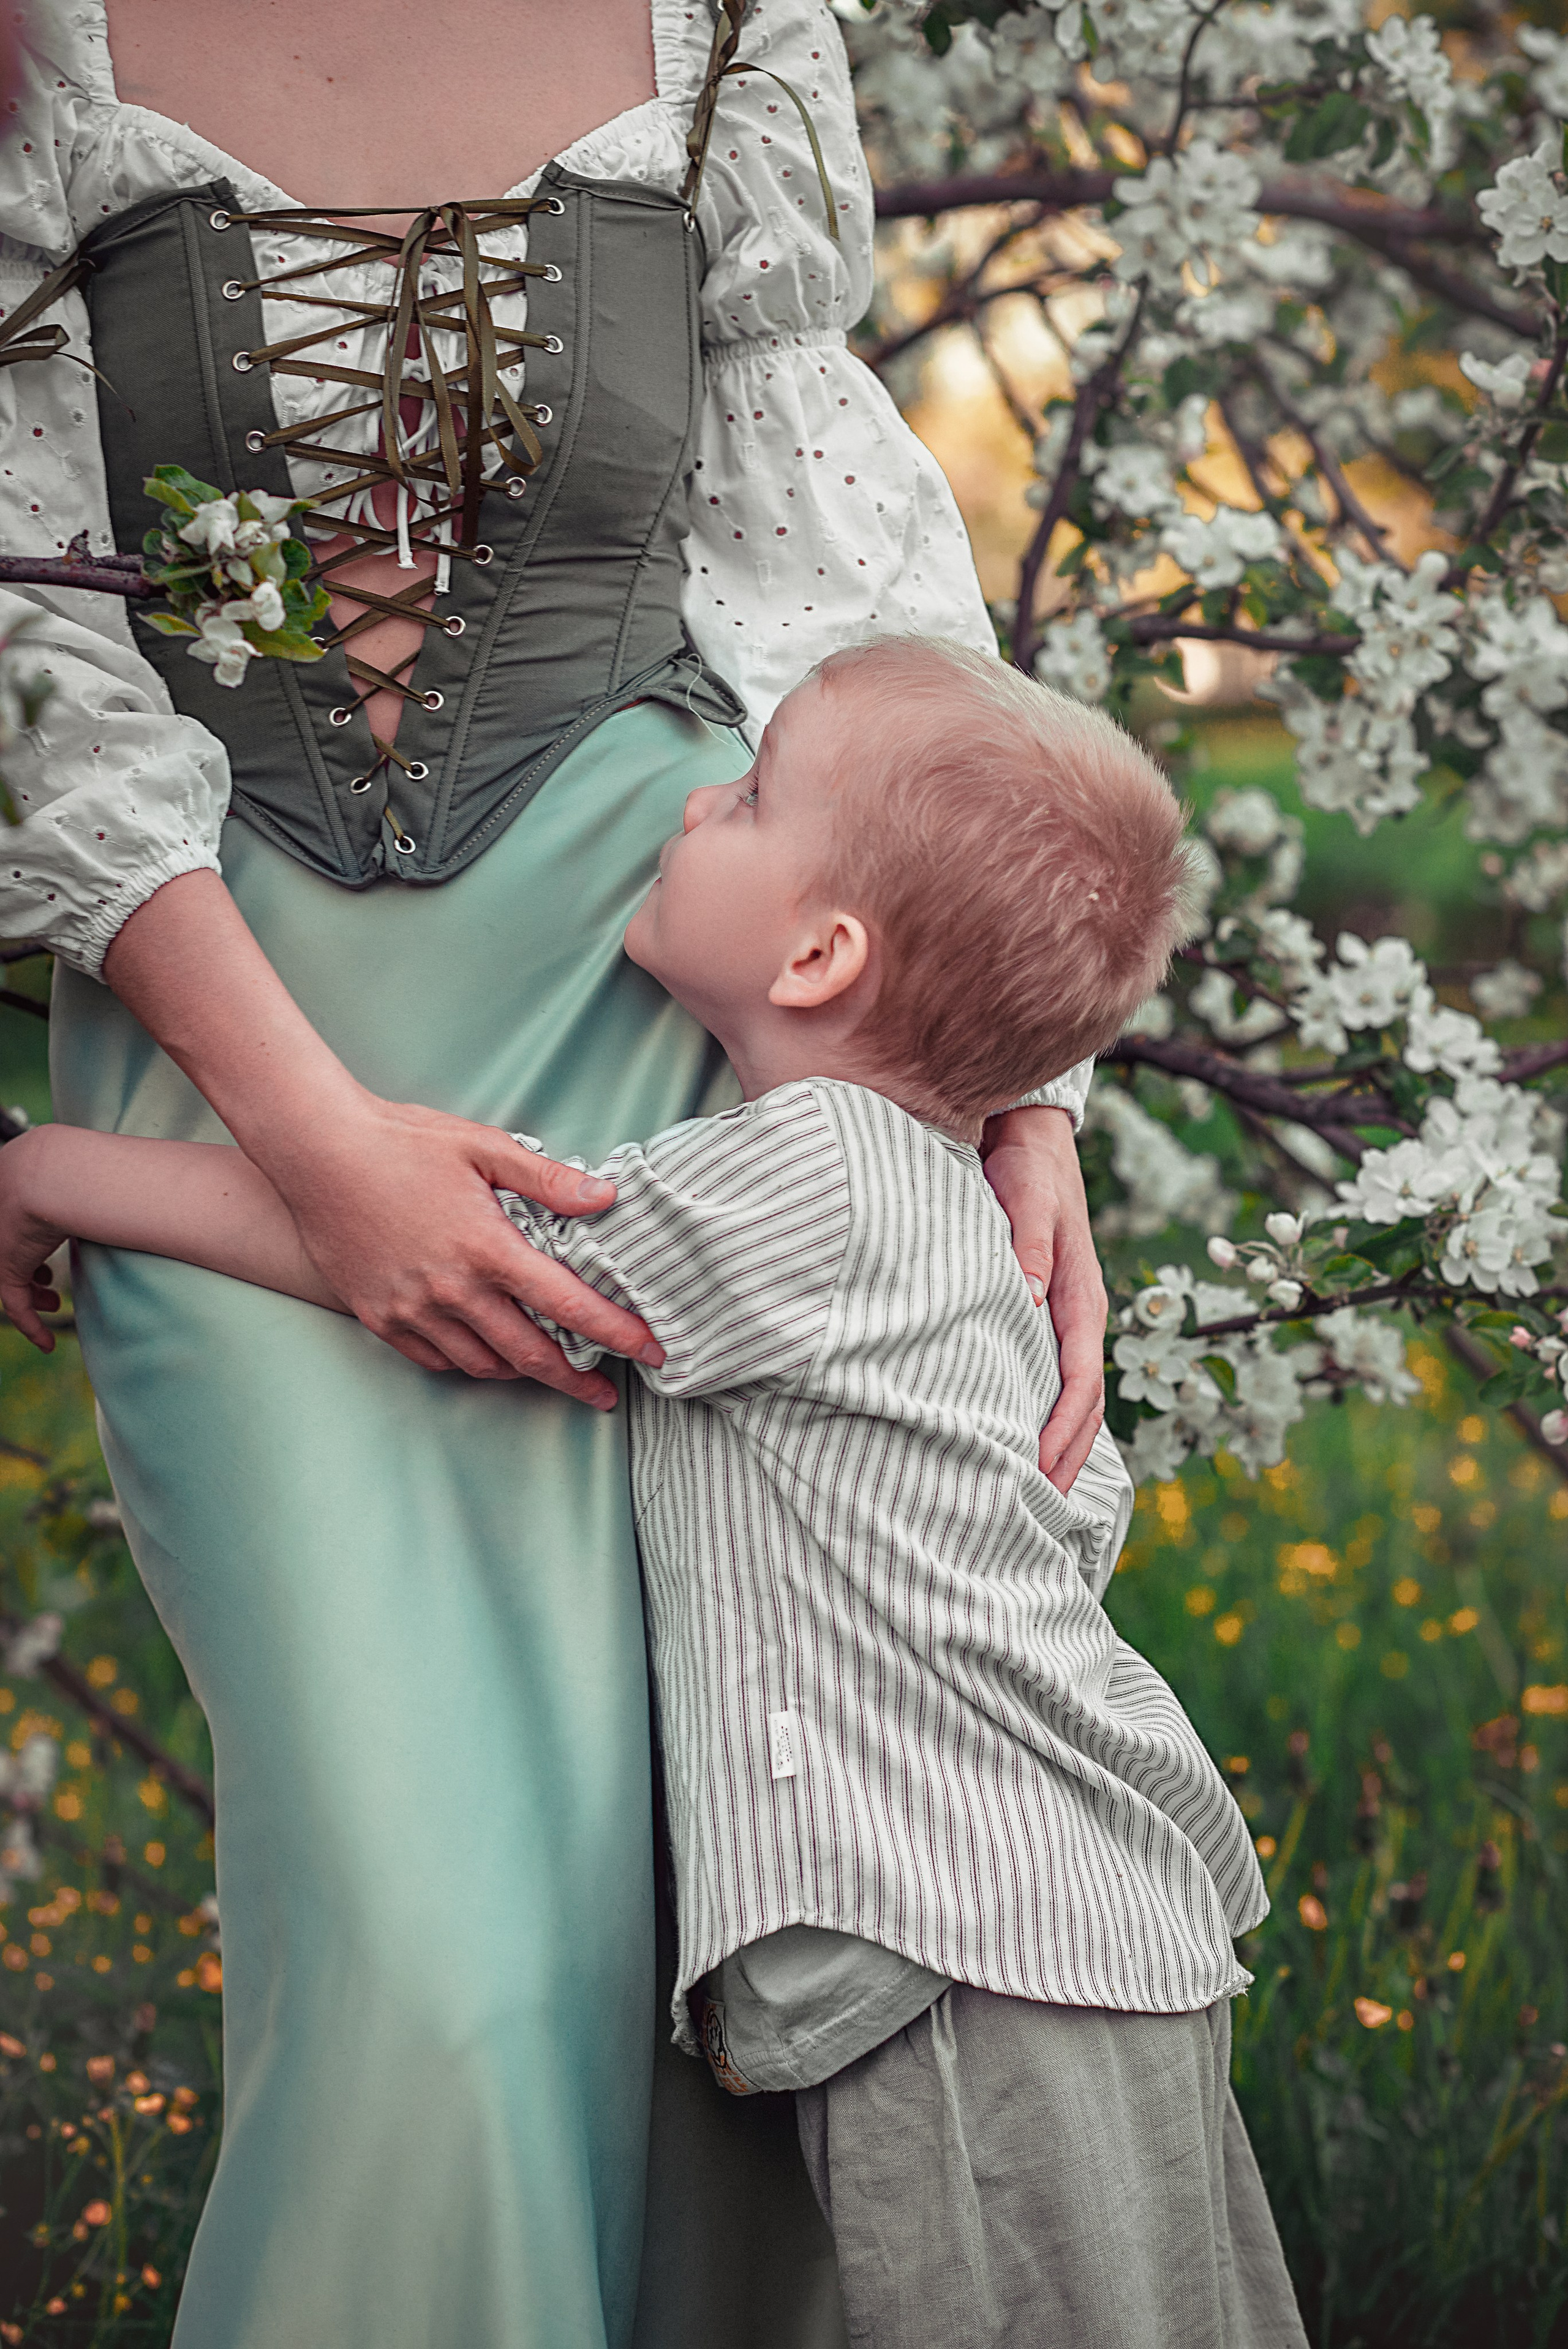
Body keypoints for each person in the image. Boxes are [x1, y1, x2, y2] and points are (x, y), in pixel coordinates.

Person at [0, 4, 1114, 2342]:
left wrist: (997, 1088)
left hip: (673, 1016)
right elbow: (22, 633)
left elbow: (835, 575)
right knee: (432, 1959)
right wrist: (294, 1146)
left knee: (681, 1917)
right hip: (230, 1031)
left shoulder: (724, 24)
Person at [0, 637, 1308, 2349]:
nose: (698, 799)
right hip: (1059, 1930)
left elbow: (459, 1251)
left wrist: (56, 1164)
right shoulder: (921, 1205)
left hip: (982, 1957)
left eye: (753, 796)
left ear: (823, 952)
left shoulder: (813, 1185)